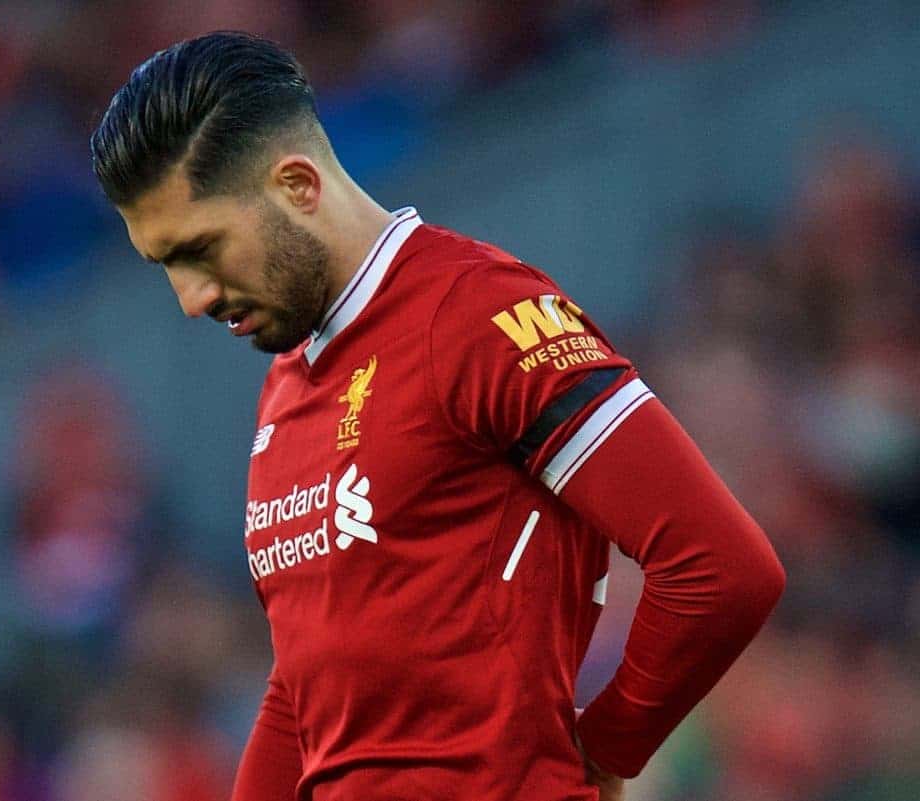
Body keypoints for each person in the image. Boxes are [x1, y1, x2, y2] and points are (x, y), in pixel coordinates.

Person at [90, 31, 785, 801]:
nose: (191, 300)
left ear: (295, 185)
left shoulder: (480, 315)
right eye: (167, 267)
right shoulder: (286, 383)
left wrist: (607, 745)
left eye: (202, 250)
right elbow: (307, 691)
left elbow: (721, 569)